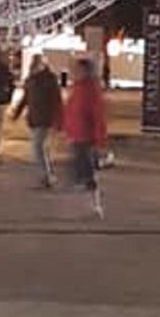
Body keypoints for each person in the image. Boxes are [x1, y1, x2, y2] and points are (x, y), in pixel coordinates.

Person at [63, 56, 109, 212]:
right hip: (76, 134)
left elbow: (98, 116)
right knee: (77, 170)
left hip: (85, 136)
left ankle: (93, 204)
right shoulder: (77, 87)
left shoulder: (90, 90)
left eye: (78, 69)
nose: (74, 72)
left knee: (86, 171)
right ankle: (85, 203)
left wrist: (100, 141)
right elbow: (70, 110)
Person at [12, 54, 64, 188]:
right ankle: (46, 175)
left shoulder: (49, 79)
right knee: (41, 148)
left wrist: (59, 119)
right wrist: (16, 113)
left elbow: (57, 101)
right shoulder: (31, 79)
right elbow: (25, 98)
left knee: (37, 148)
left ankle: (46, 176)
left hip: (45, 118)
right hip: (34, 118)